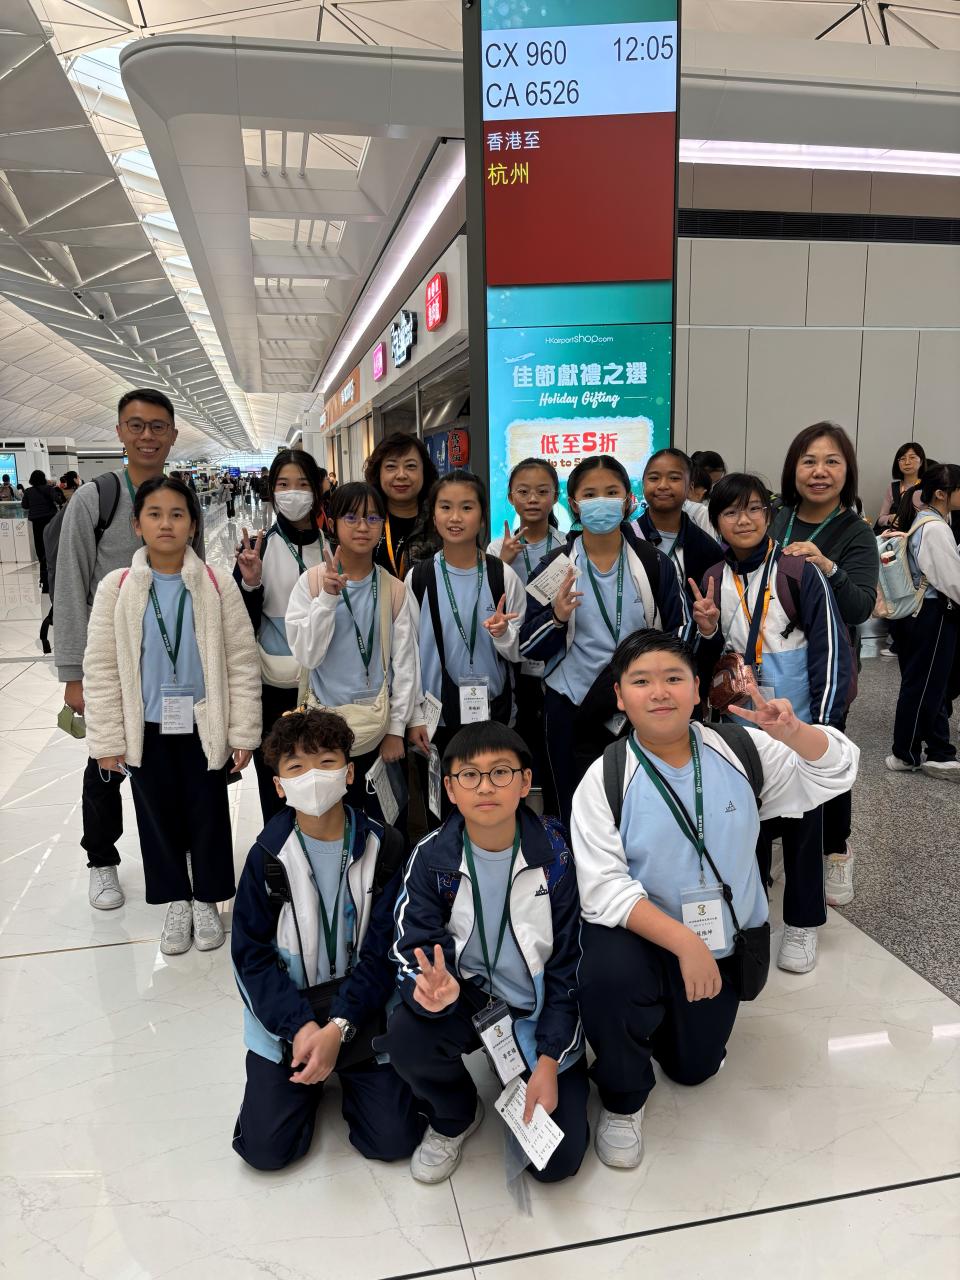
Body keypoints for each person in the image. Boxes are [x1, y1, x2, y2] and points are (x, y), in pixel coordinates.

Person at [572, 631, 860, 1169]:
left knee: (694, 1070)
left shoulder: (739, 750)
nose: (660, 692)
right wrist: (684, 943)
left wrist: (795, 734)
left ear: (697, 689)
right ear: (620, 696)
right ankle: (623, 1097)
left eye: (673, 678)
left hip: (724, 936)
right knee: (608, 979)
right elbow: (603, 890)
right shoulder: (604, 778)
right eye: (641, 681)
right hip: (644, 938)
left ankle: (674, 1026)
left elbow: (836, 772)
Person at [383, 721, 589, 1185]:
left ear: (525, 782)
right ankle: (456, 1114)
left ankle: (532, 1063)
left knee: (556, 1163)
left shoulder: (555, 857)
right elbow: (412, 943)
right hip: (468, 995)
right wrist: (430, 988)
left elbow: (571, 966)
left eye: (500, 772)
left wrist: (550, 1058)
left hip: (537, 1007)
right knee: (407, 1034)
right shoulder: (432, 857)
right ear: (450, 789)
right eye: (469, 775)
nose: (485, 787)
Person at [230, 708, 425, 1171]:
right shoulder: (266, 858)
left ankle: (345, 1068)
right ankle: (309, 1071)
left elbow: (384, 953)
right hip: (290, 1014)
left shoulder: (386, 848)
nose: (313, 777)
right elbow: (250, 959)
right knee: (266, 1152)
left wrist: (339, 1027)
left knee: (394, 1140)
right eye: (296, 767)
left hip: (363, 1007)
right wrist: (300, 1027)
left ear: (349, 772)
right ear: (279, 785)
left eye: (326, 762)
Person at [83, 476, 260, 954]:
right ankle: (176, 900)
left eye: (177, 514)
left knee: (208, 812)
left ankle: (207, 898)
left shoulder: (216, 584)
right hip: (146, 727)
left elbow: (241, 660)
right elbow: (101, 666)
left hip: (205, 725)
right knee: (156, 816)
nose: (166, 524)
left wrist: (243, 730)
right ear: (137, 525)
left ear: (193, 525)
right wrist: (107, 740)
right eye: (155, 514)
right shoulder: (117, 587)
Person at [693, 474, 852, 974]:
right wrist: (706, 630)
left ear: (769, 514)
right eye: (730, 511)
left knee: (805, 821)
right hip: (740, 723)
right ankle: (753, 904)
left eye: (754, 509)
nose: (743, 520)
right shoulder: (712, 576)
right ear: (716, 521)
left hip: (794, 720)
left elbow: (830, 648)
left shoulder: (798, 572)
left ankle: (803, 922)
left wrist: (823, 728)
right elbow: (698, 660)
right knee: (744, 816)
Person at [53, 389, 203, 912]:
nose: (147, 436)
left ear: (173, 435)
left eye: (158, 426)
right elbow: (70, 584)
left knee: (173, 761)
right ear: (119, 432)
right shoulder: (96, 500)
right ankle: (101, 861)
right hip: (113, 664)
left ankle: (181, 852)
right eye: (136, 425)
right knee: (105, 764)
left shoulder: (183, 498)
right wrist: (74, 674)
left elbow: (198, 582)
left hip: (170, 664)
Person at [518, 454, 686, 827]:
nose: (602, 502)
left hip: (639, 705)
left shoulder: (653, 563)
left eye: (612, 492)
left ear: (628, 500)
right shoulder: (555, 566)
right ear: (574, 504)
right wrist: (557, 618)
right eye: (590, 494)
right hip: (571, 705)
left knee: (640, 806)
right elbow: (527, 646)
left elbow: (677, 636)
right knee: (573, 808)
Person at [770, 422, 879, 907]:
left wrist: (827, 567)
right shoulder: (775, 517)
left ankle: (836, 848)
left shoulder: (855, 532)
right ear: (793, 469)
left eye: (832, 461)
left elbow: (859, 607)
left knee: (825, 755)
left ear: (847, 471)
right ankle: (782, 837)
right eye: (809, 461)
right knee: (774, 752)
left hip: (827, 667)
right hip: (772, 660)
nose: (819, 471)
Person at [286, 481, 425, 831]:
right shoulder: (311, 584)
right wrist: (327, 600)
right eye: (351, 517)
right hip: (323, 731)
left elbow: (405, 666)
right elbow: (307, 655)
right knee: (329, 824)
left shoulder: (394, 590)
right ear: (332, 522)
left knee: (382, 827)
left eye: (373, 518)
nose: (363, 527)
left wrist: (396, 730)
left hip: (378, 730)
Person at [405, 470, 525, 822]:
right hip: (437, 718)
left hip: (494, 712)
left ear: (482, 516)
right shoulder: (419, 578)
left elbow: (519, 652)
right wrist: (414, 717)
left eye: (467, 507)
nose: (455, 517)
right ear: (433, 515)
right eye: (446, 507)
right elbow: (408, 654)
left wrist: (503, 634)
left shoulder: (502, 575)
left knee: (492, 805)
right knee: (444, 812)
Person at [235, 448, 328, 823]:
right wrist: (251, 583)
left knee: (323, 774)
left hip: (326, 684)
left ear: (316, 490)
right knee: (279, 777)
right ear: (272, 490)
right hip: (275, 687)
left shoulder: (332, 544)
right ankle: (279, 846)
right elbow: (241, 626)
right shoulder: (259, 549)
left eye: (302, 484)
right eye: (284, 485)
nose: (293, 493)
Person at [487, 457, 562, 811]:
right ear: (511, 497)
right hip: (510, 660)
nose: (533, 499)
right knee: (515, 743)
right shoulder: (494, 549)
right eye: (523, 491)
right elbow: (486, 605)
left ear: (555, 497)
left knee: (550, 746)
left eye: (542, 491)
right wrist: (502, 561)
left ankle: (550, 815)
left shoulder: (566, 546)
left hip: (552, 656)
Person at [887, 463, 960, 781]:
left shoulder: (929, 521)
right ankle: (905, 754)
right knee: (923, 686)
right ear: (942, 493)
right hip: (933, 614)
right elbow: (952, 581)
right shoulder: (935, 529)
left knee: (929, 684)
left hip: (923, 615)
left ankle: (937, 751)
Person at [634, 448, 720, 609]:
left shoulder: (707, 549)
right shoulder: (626, 537)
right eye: (654, 478)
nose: (663, 485)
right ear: (643, 484)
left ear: (690, 487)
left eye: (674, 478)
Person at [364, 431, 439, 578]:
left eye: (410, 466)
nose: (401, 475)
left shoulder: (440, 520)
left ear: (424, 471)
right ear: (378, 472)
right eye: (391, 466)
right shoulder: (364, 520)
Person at [21, 469, 60, 591]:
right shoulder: (49, 489)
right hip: (50, 521)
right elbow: (58, 500)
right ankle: (54, 577)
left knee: (40, 549)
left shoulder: (28, 491)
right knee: (52, 548)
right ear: (43, 478)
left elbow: (24, 505)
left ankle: (44, 579)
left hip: (36, 522)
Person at [876, 442, 926, 530]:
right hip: (896, 536)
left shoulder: (928, 487)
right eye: (902, 459)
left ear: (921, 461)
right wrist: (890, 518)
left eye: (912, 457)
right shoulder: (893, 487)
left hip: (921, 534)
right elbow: (880, 519)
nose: (907, 462)